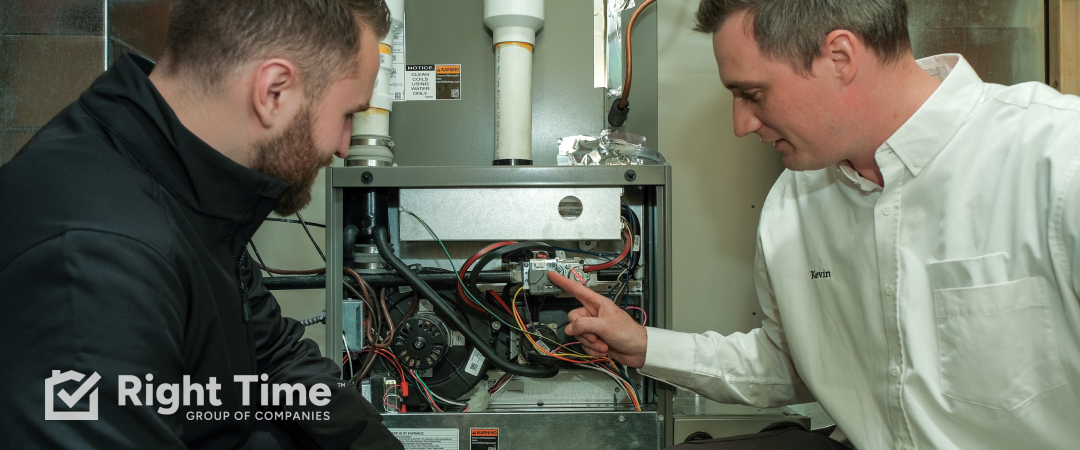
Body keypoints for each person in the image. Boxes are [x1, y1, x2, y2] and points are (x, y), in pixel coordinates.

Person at [551, 0, 1080, 448]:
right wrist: (645, 345)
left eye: (752, 94)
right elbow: (791, 362)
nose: (741, 124)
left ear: (840, 57)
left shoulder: (1057, 162)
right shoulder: (794, 202)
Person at [0, 0, 403, 448]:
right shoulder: (96, 254)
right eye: (347, 114)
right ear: (273, 91)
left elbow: (276, 360)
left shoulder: (188, 194)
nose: (344, 146)